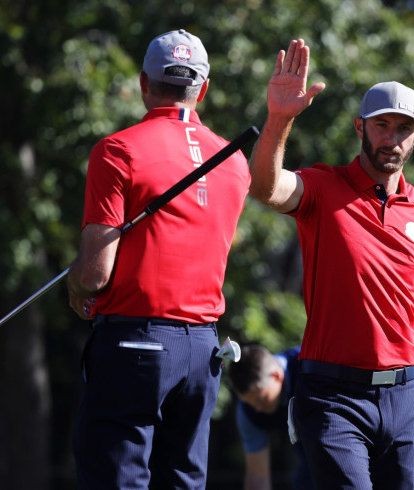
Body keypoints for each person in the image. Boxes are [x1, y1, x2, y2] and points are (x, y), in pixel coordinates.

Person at [248, 39, 414, 490]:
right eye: (382, 125)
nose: (392, 137)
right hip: (332, 396)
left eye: (403, 128)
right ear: (359, 127)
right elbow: (265, 187)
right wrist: (280, 119)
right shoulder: (324, 188)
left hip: (405, 399)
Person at [66, 29, 251, 489]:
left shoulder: (117, 150)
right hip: (203, 352)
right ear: (202, 89)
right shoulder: (234, 161)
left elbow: (93, 274)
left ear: (145, 84)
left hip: (136, 343)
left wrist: (74, 284)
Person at [227, 344, 311, 490]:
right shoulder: (248, 411)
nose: (257, 408)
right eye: (251, 402)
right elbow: (258, 477)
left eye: (261, 399)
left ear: (276, 376)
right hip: (308, 463)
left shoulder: (310, 366)